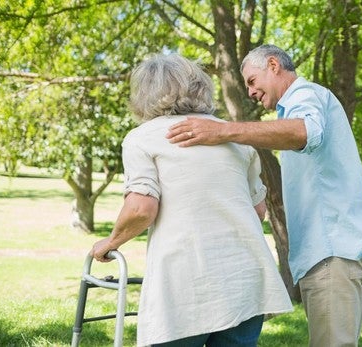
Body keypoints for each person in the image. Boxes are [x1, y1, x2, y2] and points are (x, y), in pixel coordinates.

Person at [166, 44, 362, 347]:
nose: (251, 92)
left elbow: (305, 132)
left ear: (274, 65)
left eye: (253, 81)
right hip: (339, 247)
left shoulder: (305, 96)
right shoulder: (299, 104)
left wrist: (223, 131)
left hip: (333, 250)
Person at [89, 53, 293, 347]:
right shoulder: (234, 139)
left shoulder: (143, 137)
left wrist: (111, 243)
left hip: (187, 285)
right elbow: (257, 210)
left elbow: (141, 208)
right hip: (246, 280)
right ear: (201, 87)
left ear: (145, 94)